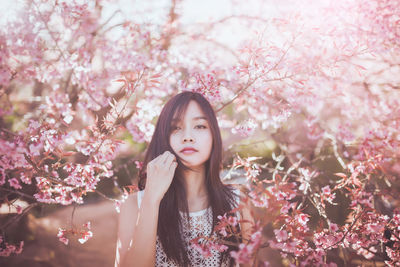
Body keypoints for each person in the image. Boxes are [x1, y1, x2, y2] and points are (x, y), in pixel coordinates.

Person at [115, 91, 254, 267]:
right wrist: (151, 199)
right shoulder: (135, 205)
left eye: (200, 126)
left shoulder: (238, 203)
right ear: (163, 137)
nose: (187, 136)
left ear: (214, 136)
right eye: (175, 128)